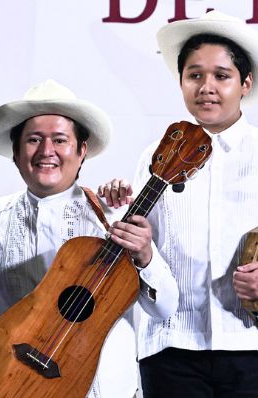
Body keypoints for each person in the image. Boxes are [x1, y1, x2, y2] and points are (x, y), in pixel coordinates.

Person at [0, 80, 179, 397]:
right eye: (34, 140)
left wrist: (145, 256)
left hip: (107, 389)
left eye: (60, 140)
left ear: (81, 150)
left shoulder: (114, 217)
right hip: (15, 385)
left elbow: (165, 308)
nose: (47, 151)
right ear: (15, 152)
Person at [99, 10, 258, 397]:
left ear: (245, 84)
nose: (207, 87)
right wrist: (117, 215)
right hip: (169, 349)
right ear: (182, 83)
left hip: (249, 345)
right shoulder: (154, 156)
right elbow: (138, 249)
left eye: (221, 75)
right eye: (195, 75)